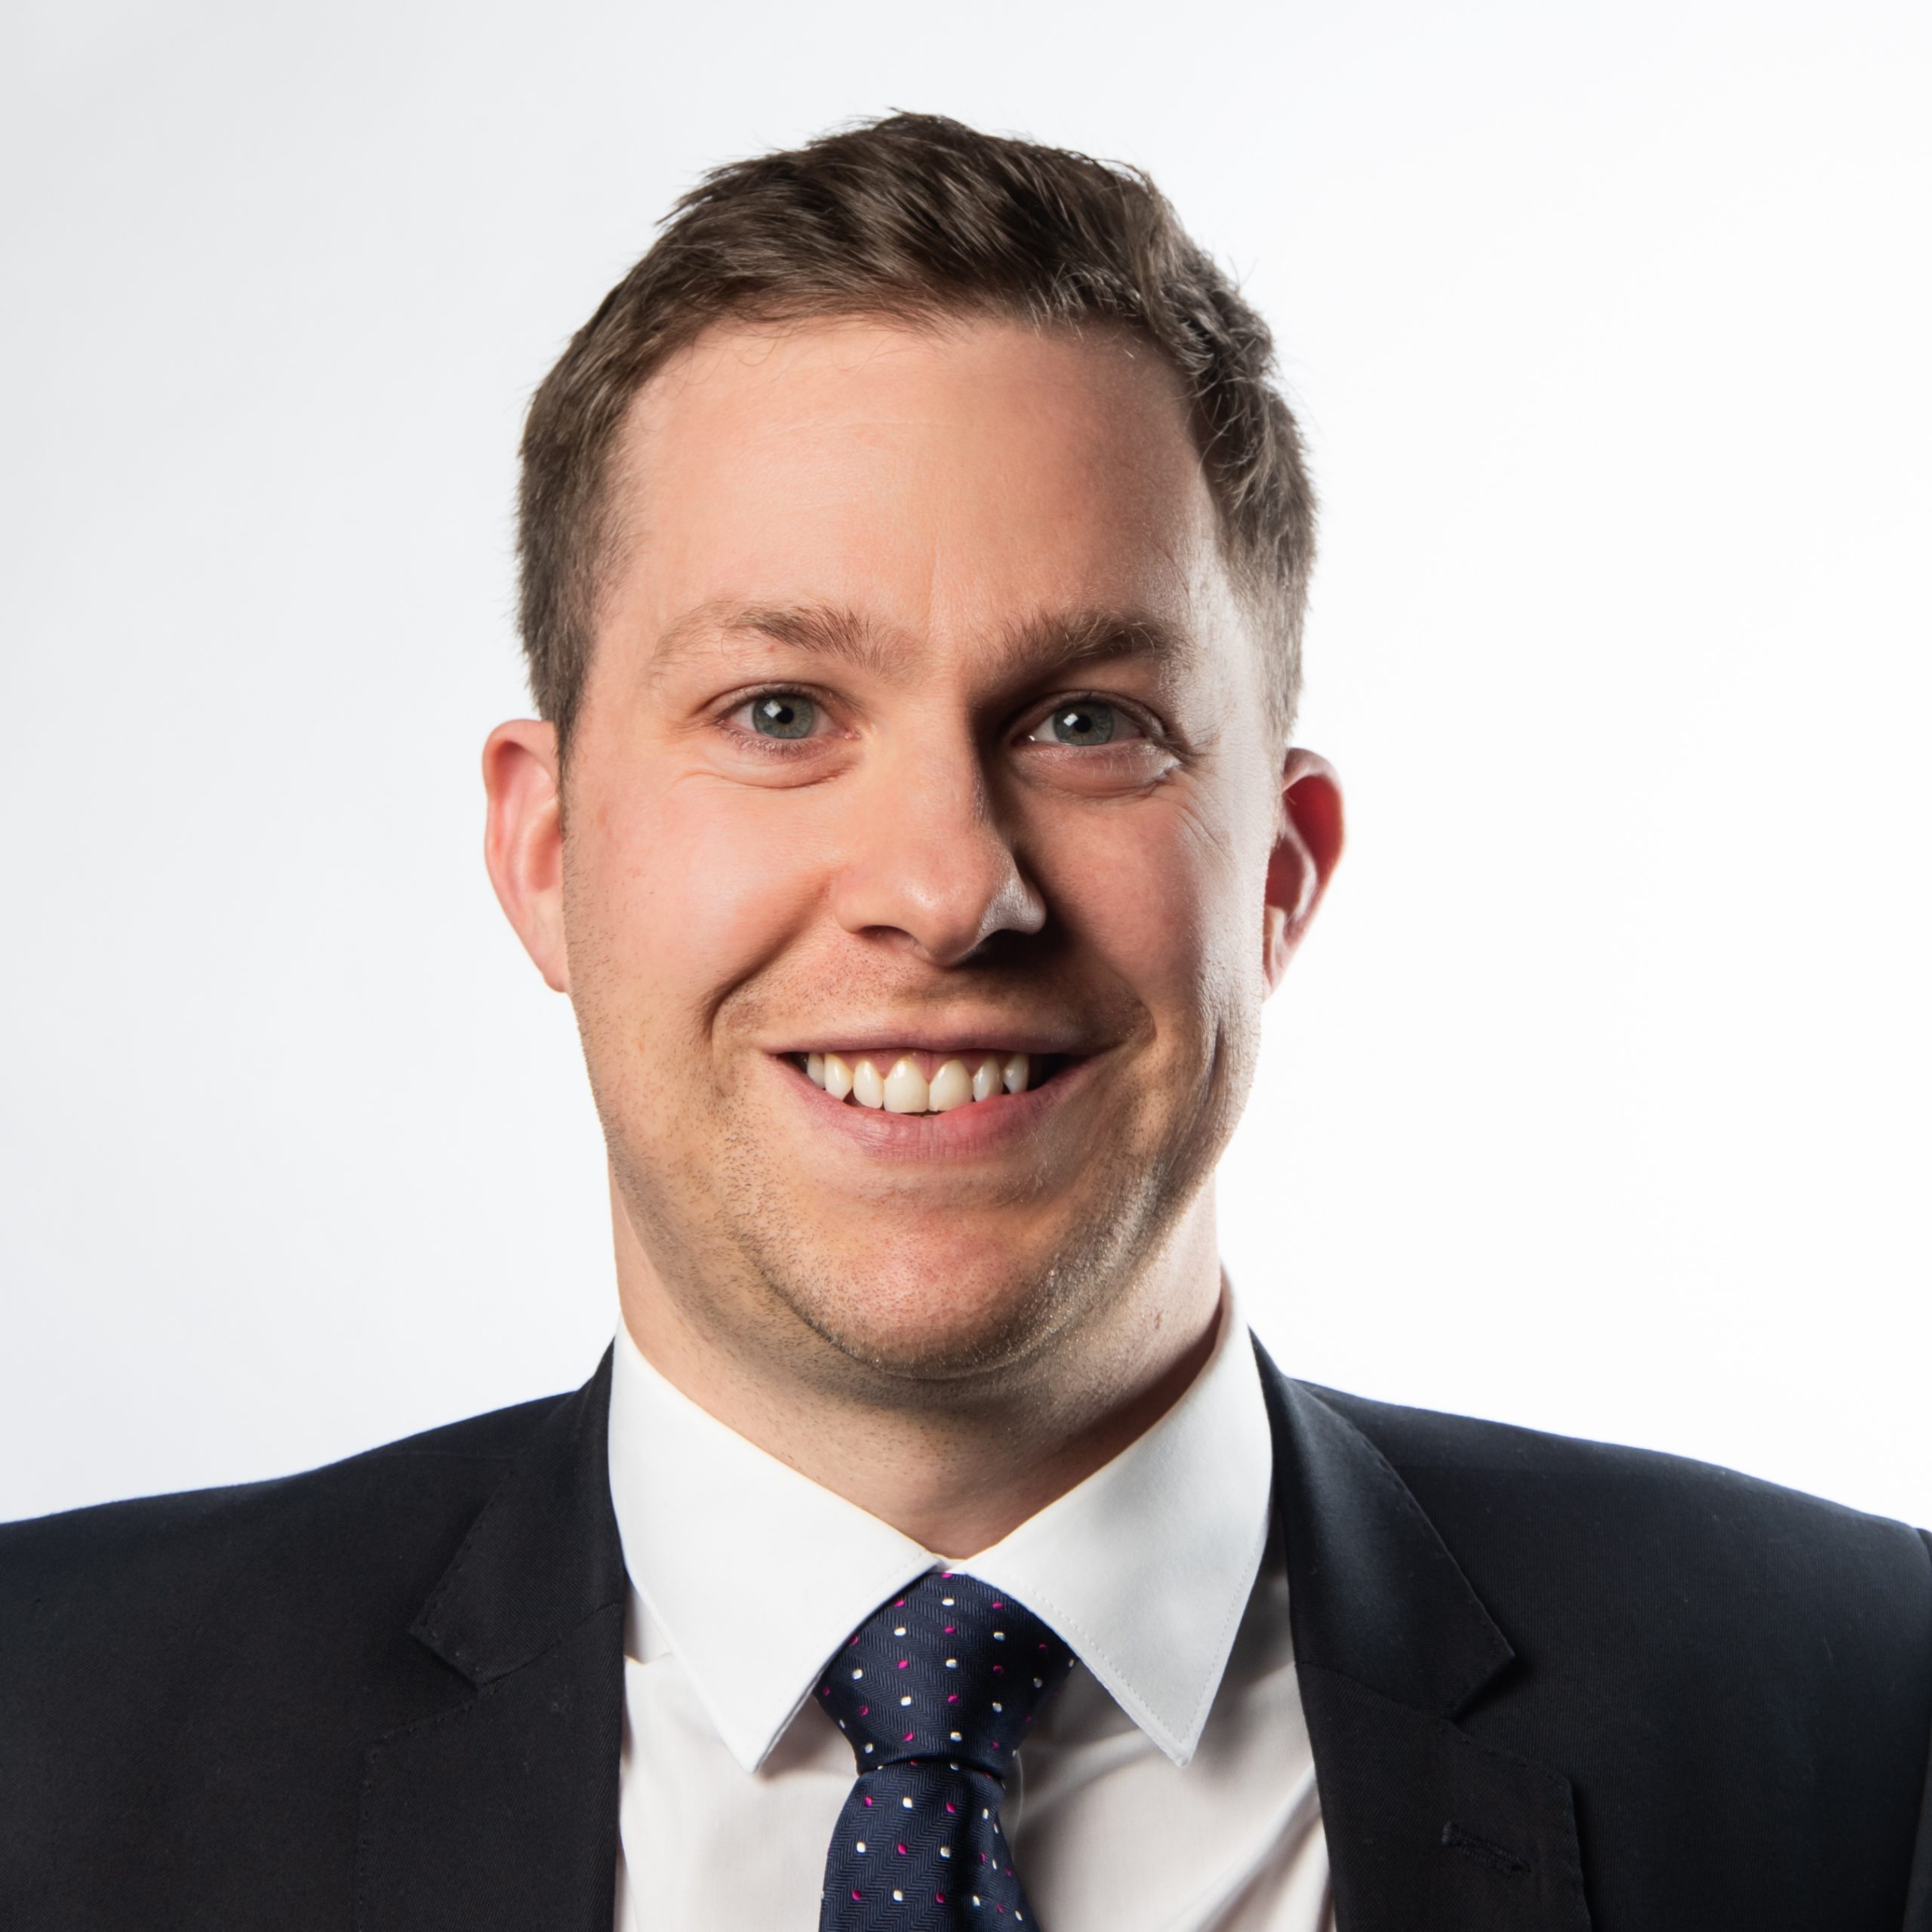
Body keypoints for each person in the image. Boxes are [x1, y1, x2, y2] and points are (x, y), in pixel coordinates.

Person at [1, 112, 1927, 1932]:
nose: (943, 888)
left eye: (1087, 720)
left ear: (1279, 871)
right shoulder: (48, 1727)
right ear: (546, 849)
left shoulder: (1864, 1715)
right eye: (777, 711)